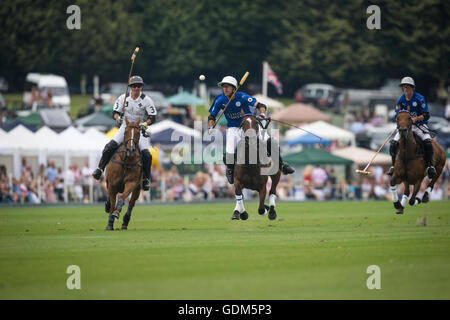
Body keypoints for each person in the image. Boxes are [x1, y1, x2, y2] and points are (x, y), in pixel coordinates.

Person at [207, 75, 294, 184]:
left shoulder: (242, 96)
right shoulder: (219, 100)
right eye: (223, 87)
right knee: (229, 153)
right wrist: (211, 126)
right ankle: (230, 170)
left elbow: (260, 105)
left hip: (249, 124)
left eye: (228, 87)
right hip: (234, 128)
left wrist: (262, 114)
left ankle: (282, 165)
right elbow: (211, 116)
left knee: (270, 142)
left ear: (234, 88)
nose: (225, 89)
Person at [92, 76, 157, 190]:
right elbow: (115, 112)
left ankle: (146, 179)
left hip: (139, 129)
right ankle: (100, 169)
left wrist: (146, 124)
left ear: (141, 87)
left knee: (147, 154)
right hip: (125, 127)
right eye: (134, 86)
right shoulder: (123, 98)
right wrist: (118, 118)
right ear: (130, 87)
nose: (136, 88)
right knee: (109, 146)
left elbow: (153, 117)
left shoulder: (147, 100)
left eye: (139, 86)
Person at [387, 77, 436, 178]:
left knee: (428, 142)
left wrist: (416, 119)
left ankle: (430, 166)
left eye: (407, 87)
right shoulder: (401, 100)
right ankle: (393, 166)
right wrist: (401, 121)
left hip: (420, 125)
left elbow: (426, 115)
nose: (405, 89)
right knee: (393, 144)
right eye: (404, 87)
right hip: (406, 126)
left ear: (412, 88)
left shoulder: (420, 98)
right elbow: (397, 114)